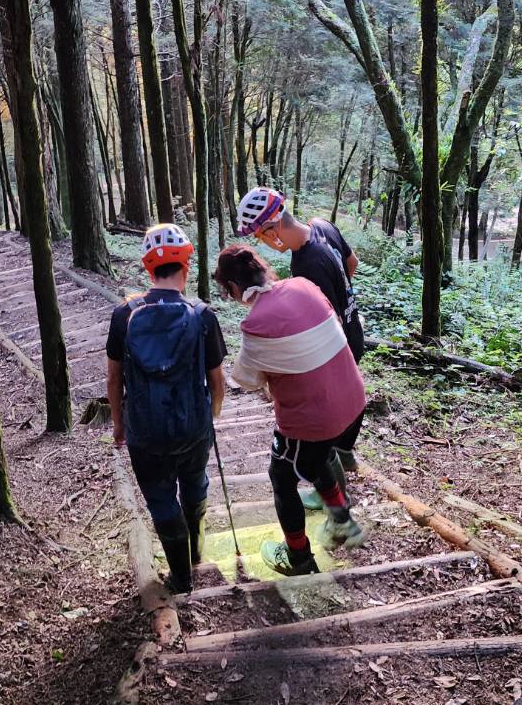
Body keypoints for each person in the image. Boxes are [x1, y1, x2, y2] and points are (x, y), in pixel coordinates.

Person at [213, 244, 367, 577]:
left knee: (282, 477)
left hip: (313, 418)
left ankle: (298, 558)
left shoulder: (256, 323)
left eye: (227, 292)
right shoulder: (303, 285)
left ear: (234, 288)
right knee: (319, 454)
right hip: (352, 399)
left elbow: (247, 380)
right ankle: (342, 521)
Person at [107, 223, 227, 594]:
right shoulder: (202, 314)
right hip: (192, 425)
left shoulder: (124, 314)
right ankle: (196, 553)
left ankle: (181, 578)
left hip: (145, 428)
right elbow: (218, 380)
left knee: (160, 497)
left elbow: (114, 380)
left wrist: (119, 423)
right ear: (186, 266)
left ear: (148, 267)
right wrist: (212, 415)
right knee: (194, 483)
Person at [236, 186, 364, 508]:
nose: (262, 244)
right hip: (354, 334)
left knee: (322, 430)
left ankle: (336, 499)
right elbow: (352, 263)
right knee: (334, 424)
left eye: (260, 236)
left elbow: (322, 325)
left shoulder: (309, 265)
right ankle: (340, 468)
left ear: (273, 228)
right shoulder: (321, 226)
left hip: (337, 351)